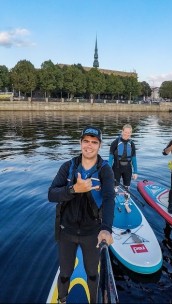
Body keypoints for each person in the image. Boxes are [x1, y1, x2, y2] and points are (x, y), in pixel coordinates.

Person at [48, 126, 115, 304]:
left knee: (92, 274)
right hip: (66, 232)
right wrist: (74, 189)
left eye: (94, 142)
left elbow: (109, 199)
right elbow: (51, 194)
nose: (89, 146)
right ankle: (62, 299)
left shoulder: (105, 170)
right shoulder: (68, 166)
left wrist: (106, 229)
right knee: (64, 274)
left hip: (92, 233)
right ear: (80, 143)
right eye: (86, 141)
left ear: (99, 146)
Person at [108, 124, 138, 191]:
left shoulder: (132, 144)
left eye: (129, 132)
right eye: (125, 132)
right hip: (116, 168)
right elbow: (110, 159)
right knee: (115, 187)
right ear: (122, 131)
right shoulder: (115, 143)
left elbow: (134, 159)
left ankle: (126, 199)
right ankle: (114, 196)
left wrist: (135, 172)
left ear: (131, 133)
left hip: (127, 169)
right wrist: (108, 170)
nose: (127, 134)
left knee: (127, 187)